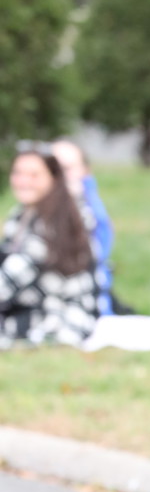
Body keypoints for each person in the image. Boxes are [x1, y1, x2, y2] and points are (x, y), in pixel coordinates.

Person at [1, 145, 99, 349]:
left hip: (61, 313)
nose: (23, 181)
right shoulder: (22, 213)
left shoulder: (59, 219)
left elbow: (14, 275)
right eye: (18, 173)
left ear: (53, 178)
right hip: (26, 304)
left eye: (34, 175)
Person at [51, 139, 117, 316]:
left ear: (85, 171)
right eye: (53, 168)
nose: (58, 176)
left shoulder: (88, 212)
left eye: (66, 168)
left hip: (80, 308)